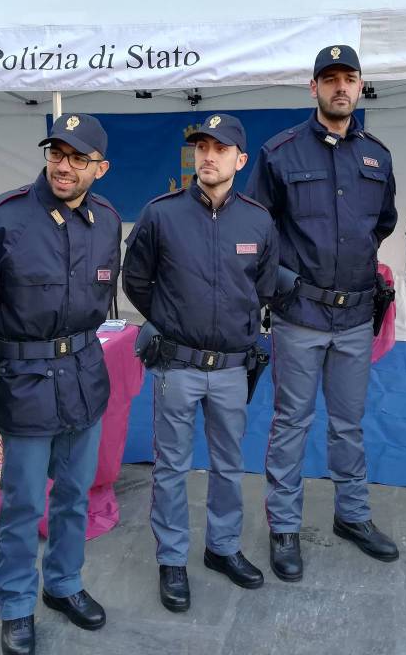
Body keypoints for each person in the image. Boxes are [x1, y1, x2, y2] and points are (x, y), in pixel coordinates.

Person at [0, 113, 121, 655]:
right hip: (24, 379)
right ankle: (14, 603)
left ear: (100, 169)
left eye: (78, 159)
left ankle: (64, 584)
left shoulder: (106, 221)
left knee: (75, 496)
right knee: (23, 503)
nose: (64, 166)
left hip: (82, 375)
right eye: (57, 153)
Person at [246, 44, 399, 582]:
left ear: (360, 86)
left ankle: (352, 516)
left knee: (349, 425)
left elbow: (381, 224)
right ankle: (284, 526)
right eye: (329, 78)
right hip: (300, 318)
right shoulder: (280, 152)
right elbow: (256, 232)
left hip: (355, 319)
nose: (340, 87)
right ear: (313, 87)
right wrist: (285, 286)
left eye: (349, 78)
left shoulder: (377, 157)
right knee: (291, 423)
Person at [123, 113, 278, 612]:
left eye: (220, 147)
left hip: (233, 368)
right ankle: (172, 559)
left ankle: (222, 548)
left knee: (230, 466)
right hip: (178, 366)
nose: (208, 155)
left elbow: (263, 286)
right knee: (171, 468)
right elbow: (137, 280)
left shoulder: (257, 219)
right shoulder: (161, 214)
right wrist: (171, 319)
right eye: (201, 147)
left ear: (241, 159)